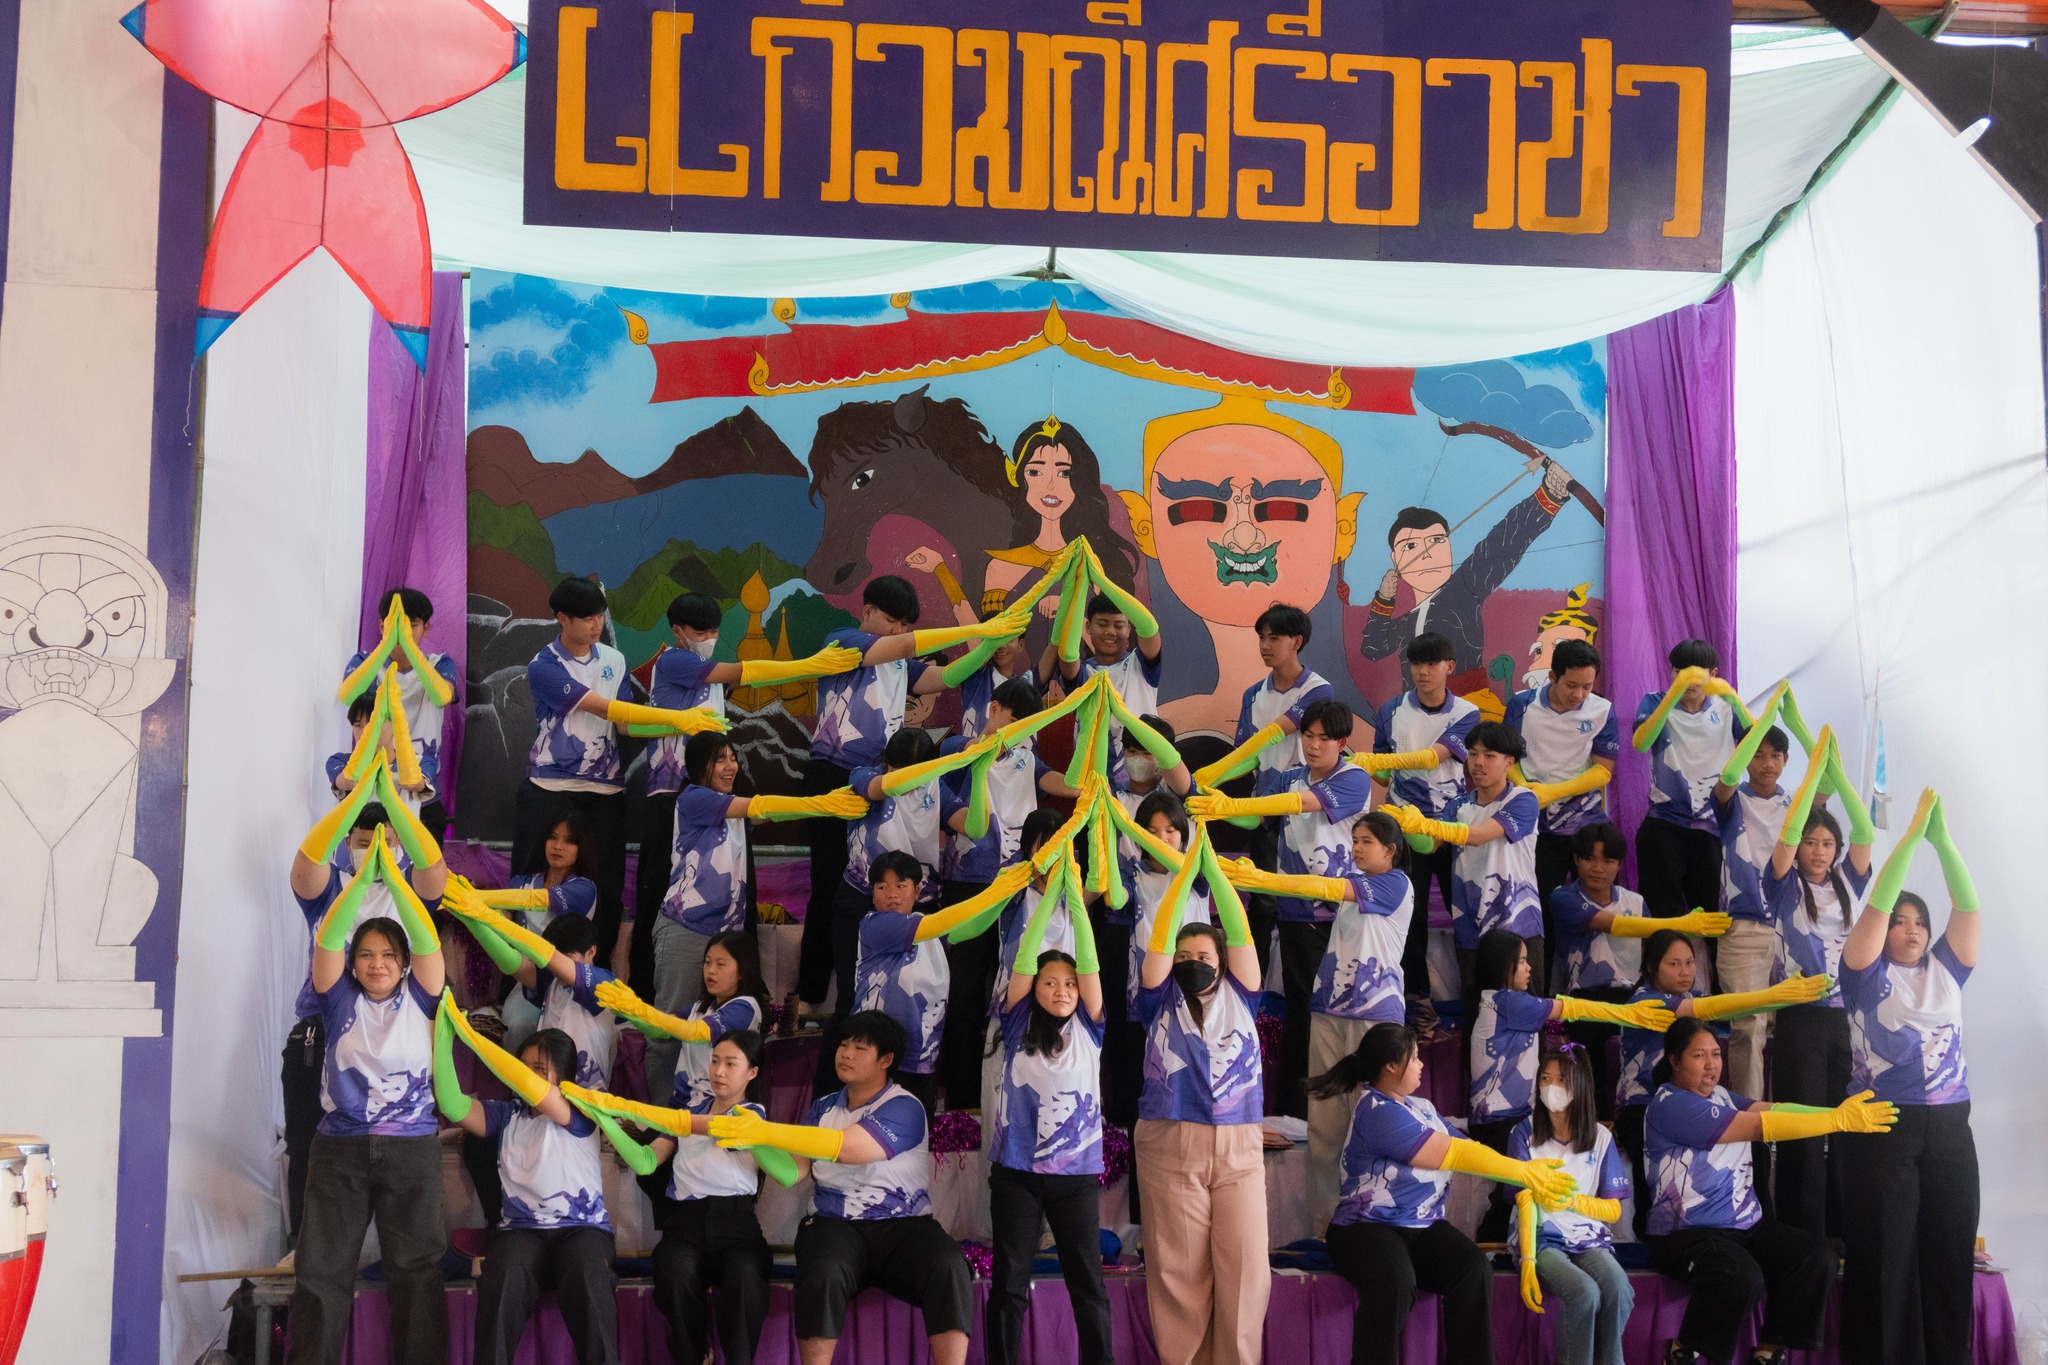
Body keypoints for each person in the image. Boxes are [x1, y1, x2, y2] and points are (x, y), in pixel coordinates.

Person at [705, 1011, 976, 1365]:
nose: (845, 1053)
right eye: (843, 1045)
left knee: (948, 1264)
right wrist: (753, 1141)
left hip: (904, 1228)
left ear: (886, 1060)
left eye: (859, 1047)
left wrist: (763, 1131)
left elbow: (848, 1148)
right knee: (823, 1271)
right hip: (834, 1226)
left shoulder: (905, 1105)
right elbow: (792, 1173)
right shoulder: (821, 1108)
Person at [799, 576, 1020, 1008]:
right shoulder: (842, 640)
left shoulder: (903, 662)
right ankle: (811, 994)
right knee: (830, 884)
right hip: (834, 774)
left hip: (886, 780)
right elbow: (902, 648)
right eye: (891, 619)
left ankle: (865, 985)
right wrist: (975, 633)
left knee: (872, 883)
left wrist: (985, 647)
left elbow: (949, 675)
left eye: (905, 624)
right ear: (865, 610)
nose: (900, 631)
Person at [1311, 1021, 1576, 1365]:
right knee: (1395, 1281)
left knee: (1473, 1269)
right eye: (1416, 1057)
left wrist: (1527, 1171)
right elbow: (1452, 1154)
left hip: (1421, 1226)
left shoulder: (1422, 1108)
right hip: (1365, 1227)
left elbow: (1470, 1148)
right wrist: (1522, 1171)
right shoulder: (1375, 1110)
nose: (1422, 1064)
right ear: (1392, 1065)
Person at [633, 593, 860, 980]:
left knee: (741, 888)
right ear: (676, 631)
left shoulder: (705, 668)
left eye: (715, 630)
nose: (709, 636)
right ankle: (644, 989)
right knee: (659, 891)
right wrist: (807, 666)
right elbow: (744, 673)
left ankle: (740, 987)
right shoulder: (674, 661)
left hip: (718, 799)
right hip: (674, 795)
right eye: (699, 630)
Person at [1645, 1016, 1896, 1365]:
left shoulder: (1721, 1095)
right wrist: (1837, 1121)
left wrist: (1837, 1111)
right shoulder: (1670, 1104)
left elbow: (1776, 1109)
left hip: (1746, 1227)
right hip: (1688, 1233)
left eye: (1716, 1054)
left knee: (1816, 1256)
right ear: (1673, 1060)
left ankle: (1768, 1353)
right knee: (1739, 1276)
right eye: (1698, 1056)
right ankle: (1685, 1350)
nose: (1711, 1065)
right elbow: (1762, 1126)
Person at [1838, 791, 1981, 1365]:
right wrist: (1907, 840)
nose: (1914, 930)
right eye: (1903, 921)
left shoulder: (1946, 970)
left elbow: (1968, 909)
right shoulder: (1863, 973)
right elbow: (1875, 909)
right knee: (1885, 1259)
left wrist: (1942, 844)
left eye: (1920, 923)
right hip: (1883, 1127)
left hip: (1950, 1126)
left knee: (1949, 1252)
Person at [514, 577, 719, 970]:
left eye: (599, 616)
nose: (596, 625)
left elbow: (626, 727)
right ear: (562, 619)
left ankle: (596, 975)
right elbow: (606, 710)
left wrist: (684, 726)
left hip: (604, 791)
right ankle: (522, 980)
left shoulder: (613, 660)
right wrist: (679, 716)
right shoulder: (545, 665)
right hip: (548, 786)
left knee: (605, 888)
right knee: (531, 881)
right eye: (586, 617)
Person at [648, 731, 861, 1099]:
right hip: (685, 930)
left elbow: (767, 812)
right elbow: (761, 806)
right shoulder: (696, 799)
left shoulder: (729, 806)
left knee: (732, 1033)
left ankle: (721, 1110)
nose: (730, 766)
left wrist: (818, 804)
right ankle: (661, 1124)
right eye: (720, 759)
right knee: (668, 1031)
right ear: (700, 766)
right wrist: (823, 803)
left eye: (733, 758)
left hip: (727, 938)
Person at [1189, 698, 1368, 1119]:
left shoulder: (1354, 778)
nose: (1314, 745)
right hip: (1296, 916)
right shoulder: (1288, 776)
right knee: (1303, 1009)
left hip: (1345, 913)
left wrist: (1233, 805)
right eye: (1307, 735)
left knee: (1343, 1007)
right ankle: (1296, 1110)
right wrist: (1215, 803)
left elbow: (1298, 805)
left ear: (1343, 742)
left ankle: (1347, 1103)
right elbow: (1259, 820)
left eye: (1325, 738)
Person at [288, 892, 447, 1365]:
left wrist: (395, 877)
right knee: (321, 1274)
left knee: (416, 1275)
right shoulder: (336, 998)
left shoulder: (423, 995)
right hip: (340, 1149)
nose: (377, 965)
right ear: (352, 963)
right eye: (366, 955)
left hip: (412, 1151)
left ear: (404, 964)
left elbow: (427, 937)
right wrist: (359, 881)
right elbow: (327, 940)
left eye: (388, 956)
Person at [284, 802, 448, 1244]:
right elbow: (305, 863)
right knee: (305, 1147)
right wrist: (353, 802)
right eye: (363, 842)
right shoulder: (330, 884)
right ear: (348, 844)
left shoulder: (412, 888)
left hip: (399, 1029)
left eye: (387, 842)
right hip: (324, 1026)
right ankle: (302, 1245)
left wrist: (394, 803)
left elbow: (434, 867)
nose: (375, 849)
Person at [1132, 873, 1267, 1365]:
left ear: (1222, 962)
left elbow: (1240, 932)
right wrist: (1182, 879)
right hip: (1171, 1137)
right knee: (1179, 1272)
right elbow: (1160, 941)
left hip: (1239, 1143)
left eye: (1204, 957)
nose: (1192, 963)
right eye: (1182, 958)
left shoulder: (1244, 992)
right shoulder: (1156, 997)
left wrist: (1210, 866)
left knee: (1248, 1268)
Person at [1612, 932, 1826, 1240]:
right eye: (1674, 964)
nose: (1685, 971)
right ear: (1649, 967)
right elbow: (1712, 1010)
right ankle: (1653, 1238)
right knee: (1654, 1161)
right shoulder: (1643, 1001)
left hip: (1695, 1104)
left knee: (1756, 1140)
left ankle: (1759, 1226)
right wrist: (1776, 995)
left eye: (1689, 963)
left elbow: (1722, 1009)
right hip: (1644, 1107)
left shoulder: (1693, 999)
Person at [1465, 930, 1673, 1242]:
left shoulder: (1503, 1003)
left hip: (1506, 1117)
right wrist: (1627, 1014)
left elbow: (1557, 1020)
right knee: (1513, 1194)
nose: (1529, 967)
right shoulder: (1508, 1002)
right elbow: (1573, 1009)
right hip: (1500, 1122)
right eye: (1521, 961)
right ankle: (1496, 1243)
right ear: (1502, 966)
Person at [433, 1022, 617, 1365]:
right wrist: (445, 1035)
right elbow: (452, 1103)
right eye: (522, 1066)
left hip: (582, 1232)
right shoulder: (506, 1114)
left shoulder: (582, 1109)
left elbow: (546, 1098)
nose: (525, 1076)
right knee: (502, 1277)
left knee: (588, 1275)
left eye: (538, 1069)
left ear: (563, 1076)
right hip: (521, 1232)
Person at [986, 872, 1113, 1365]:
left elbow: (1089, 959)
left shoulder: (1091, 1025)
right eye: (1049, 983)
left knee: (1089, 1285)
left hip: (1075, 1178)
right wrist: (1043, 903)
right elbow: (1025, 952)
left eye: (1069, 983)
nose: (1061, 990)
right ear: (1033, 987)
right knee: (1009, 1284)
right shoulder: (1016, 1019)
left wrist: (1076, 901)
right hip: (1016, 1175)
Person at [935, 676, 1077, 1113]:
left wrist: (1088, 792)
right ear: (993, 710)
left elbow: (1048, 779)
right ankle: (961, 1101)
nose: (1022, 734)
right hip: (970, 884)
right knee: (962, 993)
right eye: (1016, 722)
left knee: (1012, 988)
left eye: (1029, 726)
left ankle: (1012, 1092)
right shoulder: (957, 748)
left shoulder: (1025, 752)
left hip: (1019, 885)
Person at [1764, 728, 1873, 1234]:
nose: (1820, 851)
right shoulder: (1784, 883)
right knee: (1805, 1129)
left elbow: (1866, 830)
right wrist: (1812, 775)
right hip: (1800, 1019)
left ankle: (1843, 1229)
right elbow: (1786, 836)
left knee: (1846, 1125)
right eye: (1811, 841)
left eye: (1828, 843)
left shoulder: (1848, 881)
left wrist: (1839, 772)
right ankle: (1802, 1233)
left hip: (1844, 1023)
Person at [1548, 823, 1728, 1114]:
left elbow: (1651, 949)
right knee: (1586, 1033)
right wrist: (1680, 924)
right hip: (1584, 999)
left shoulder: (1635, 902)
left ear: (1619, 864)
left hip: (1632, 995)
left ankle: (1676, 1107)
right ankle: (1599, 1121)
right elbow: (1614, 925)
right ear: (1576, 860)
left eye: (1608, 860)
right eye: (1590, 859)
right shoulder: (1563, 897)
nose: (1598, 868)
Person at [1198, 603, 1336, 975]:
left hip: (1305, 808)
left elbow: (1280, 730)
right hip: (1264, 807)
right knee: (1261, 900)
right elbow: (1247, 755)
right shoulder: (1252, 695)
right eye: (1261, 637)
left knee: (1303, 898)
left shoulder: (1318, 689)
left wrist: (1217, 771)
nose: (1265, 645)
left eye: (1274, 637)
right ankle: (1252, 980)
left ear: (1297, 641)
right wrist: (1210, 782)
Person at [1381, 720, 1543, 1019]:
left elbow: (1479, 835)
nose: (1478, 762)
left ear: (1509, 762)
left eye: (1489, 755)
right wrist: (1407, 827)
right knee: (1476, 1015)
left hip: (1517, 922)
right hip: (1471, 925)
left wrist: (1426, 824)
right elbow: (1430, 847)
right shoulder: (1457, 806)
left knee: (1525, 1016)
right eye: (1472, 753)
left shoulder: (1523, 799)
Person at [645, 1029, 786, 1365]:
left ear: (751, 1073)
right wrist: (616, 1122)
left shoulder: (753, 1115)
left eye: (731, 1064)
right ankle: (695, 1356)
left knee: (745, 1279)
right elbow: (650, 1158)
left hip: (737, 1230)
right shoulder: (688, 1109)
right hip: (684, 1227)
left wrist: (679, 1121)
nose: (719, 1071)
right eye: (715, 1061)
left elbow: (725, 1131)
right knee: (673, 1272)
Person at [854, 849, 1023, 1116]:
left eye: (901, 885)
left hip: (921, 1059)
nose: (891, 894)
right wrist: (993, 893)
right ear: (872, 893)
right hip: (877, 1056)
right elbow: (945, 922)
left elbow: (968, 928)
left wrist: (1000, 899)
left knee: (918, 1145)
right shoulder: (874, 925)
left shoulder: (925, 923)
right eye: (882, 886)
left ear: (917, 891)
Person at [1360, 631, 1479, 1005]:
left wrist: (1380, 762)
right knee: (1410, 918)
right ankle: (1417, 1004)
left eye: (1431, 663)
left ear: (1449, 667)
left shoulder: (1467, 713)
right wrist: (1355, 766)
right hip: (1403, 831)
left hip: (1451, 826)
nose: (1423, 671)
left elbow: (1435, 757)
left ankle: (1475, 1003)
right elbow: (1381, 775)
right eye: (1416, 663)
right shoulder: (1390, 710)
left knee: (1467, 915)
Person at [1509, 1046, 1634, 1365]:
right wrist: (1526, 1259)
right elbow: (1523, 1198)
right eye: (1545, 1079)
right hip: (1541, 1238)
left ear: (1580, 1085)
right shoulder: (1523, 1132)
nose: (1551, 1088)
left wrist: (1573, 1200)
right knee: (1584, 1292)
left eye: (1562, 1080)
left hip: (1588, 1238)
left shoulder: (1601, 1137)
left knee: (1619, 1288)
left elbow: (1614, 1210)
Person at [1504, 638, 1619, 951]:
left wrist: (1553, 791)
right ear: (1552, 676)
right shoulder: (1521, 705)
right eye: (1571, 685)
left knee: (1602, 902)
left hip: (1586, 822)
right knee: (1543, 905)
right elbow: (1507, 756)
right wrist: (1527, 788)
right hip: (1537, 823)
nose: (1579, 695)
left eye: (1587, 686)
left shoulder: (1602, 710)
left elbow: (1603, 770)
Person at [1107, 792, 1212, 1128]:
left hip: (1195, 997)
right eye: (1151, 832)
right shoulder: (1130, 874)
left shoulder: (1196, 870)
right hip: (1144, 998)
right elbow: (1114, 900)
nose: (1163, 839)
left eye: (1171, 831)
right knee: (1137, 1086)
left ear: (1183, 833)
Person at [1630, 641, 1743, 922]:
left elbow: (1756, 736)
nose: (1686, 680)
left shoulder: (1726, 707)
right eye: (1678, 672)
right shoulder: (1655, 702)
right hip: (1664, 824)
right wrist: (1674, 694)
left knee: (1710, 917)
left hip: (1713, 829)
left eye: (1694, 674)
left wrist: (1734, 699)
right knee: (1662, 918)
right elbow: (1642, 743)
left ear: (1713, 673)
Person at [1712, 721, 1792, 1098]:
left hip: (1792, 929)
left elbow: (1824, 788)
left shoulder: (1796, 804)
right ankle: (1751, 1125)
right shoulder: (1732, 800)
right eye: (1757, 755)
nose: (1767, 763)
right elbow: (1726, 780)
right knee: (1748, 1026)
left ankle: (1793, 1127)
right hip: (1743, 928)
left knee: (1795, 1027)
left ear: (1786, 760)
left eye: (1775, 755)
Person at [343, 587, 460, 843]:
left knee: (421, 879)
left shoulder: (440, 664)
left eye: (411, 625)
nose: (401, 633)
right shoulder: (365, 662)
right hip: (370, 795)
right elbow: (348, 696)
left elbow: (442, 696)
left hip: (423, 792)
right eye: (395, 625)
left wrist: (408, 646)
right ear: (381, 625)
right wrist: (386, 646)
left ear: (426, 628)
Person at [1050, 591, 1165, 736]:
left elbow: (1149, 629)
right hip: (1090, 759)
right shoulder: (1083, 672)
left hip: (1142, 757)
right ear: (1088, 627)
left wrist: (1100, 580)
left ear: (1129, 629)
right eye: (1102, 624)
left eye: (1119, 625)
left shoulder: (1140, 664)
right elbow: (1068, 656)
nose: (1110, 631)